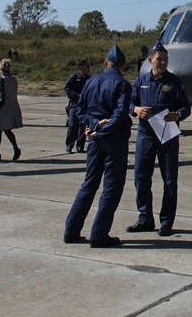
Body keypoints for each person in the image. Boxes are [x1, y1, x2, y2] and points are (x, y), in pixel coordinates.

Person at [64, 44, 133, 248]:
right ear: (124, 64)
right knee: (111, 187)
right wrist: (104, 128)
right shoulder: (123, 85)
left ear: (105, 62)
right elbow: (121, 115)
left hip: (94, 139)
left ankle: (71, 230)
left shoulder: (91, 81)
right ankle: (99, 234)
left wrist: (94, 125)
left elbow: (80, 110)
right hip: (114, 141)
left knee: (89, 183)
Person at [126, 44, 191, 237]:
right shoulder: (140, 81)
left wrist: (177, 115)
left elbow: (186, 108)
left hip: (167, 135)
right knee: (141, 177)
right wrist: (136, 110)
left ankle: (166, 222)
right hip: (145, 135)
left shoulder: (175, 82)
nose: (163, 63)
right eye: (159, 59)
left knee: (169, 180)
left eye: (165, 59)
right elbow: (129, 103)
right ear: (150, 60)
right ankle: (144, 218)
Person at [0, 59, 23, 161]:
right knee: (7, 129)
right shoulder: (14, 79)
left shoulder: (1, 80)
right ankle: (15, 148)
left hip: (2, 108)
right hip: (12, 106)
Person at [64, 59, 92, 153]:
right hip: (74, 105)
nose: (88, 68)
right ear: (81, 67)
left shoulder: (89, 78)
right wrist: (77, 95)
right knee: (72, 125)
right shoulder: (74, 77)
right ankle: (69, 145)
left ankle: (80, 146)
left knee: (83, 126)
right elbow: (67, 89)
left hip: (85, 106)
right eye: (86, 66)